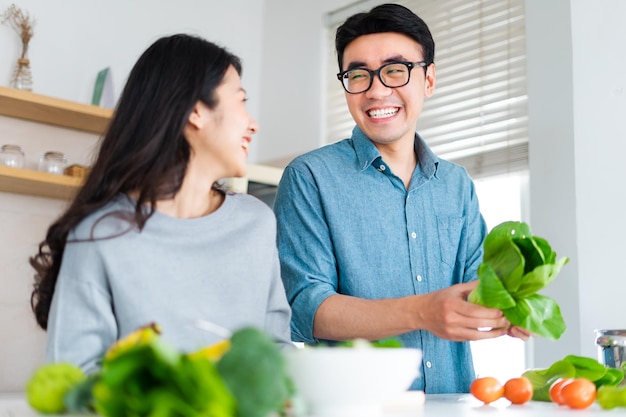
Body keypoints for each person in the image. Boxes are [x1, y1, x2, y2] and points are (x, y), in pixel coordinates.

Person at [273, 4, 529, 393]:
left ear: (428, 80)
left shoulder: (456, 184)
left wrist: (509, 306)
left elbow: (475, 286)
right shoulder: (309, 177)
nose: (376, 91)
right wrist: (424, 312)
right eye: (358, 75)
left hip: (454, 401)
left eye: (395, 70)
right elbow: (308, 308)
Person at [30, 34, 293, 374]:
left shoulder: (256, 222)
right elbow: (74, 375)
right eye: (240, 101)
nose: (252, 123)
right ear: (196, 111)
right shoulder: (100, 235)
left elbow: (277, 352)